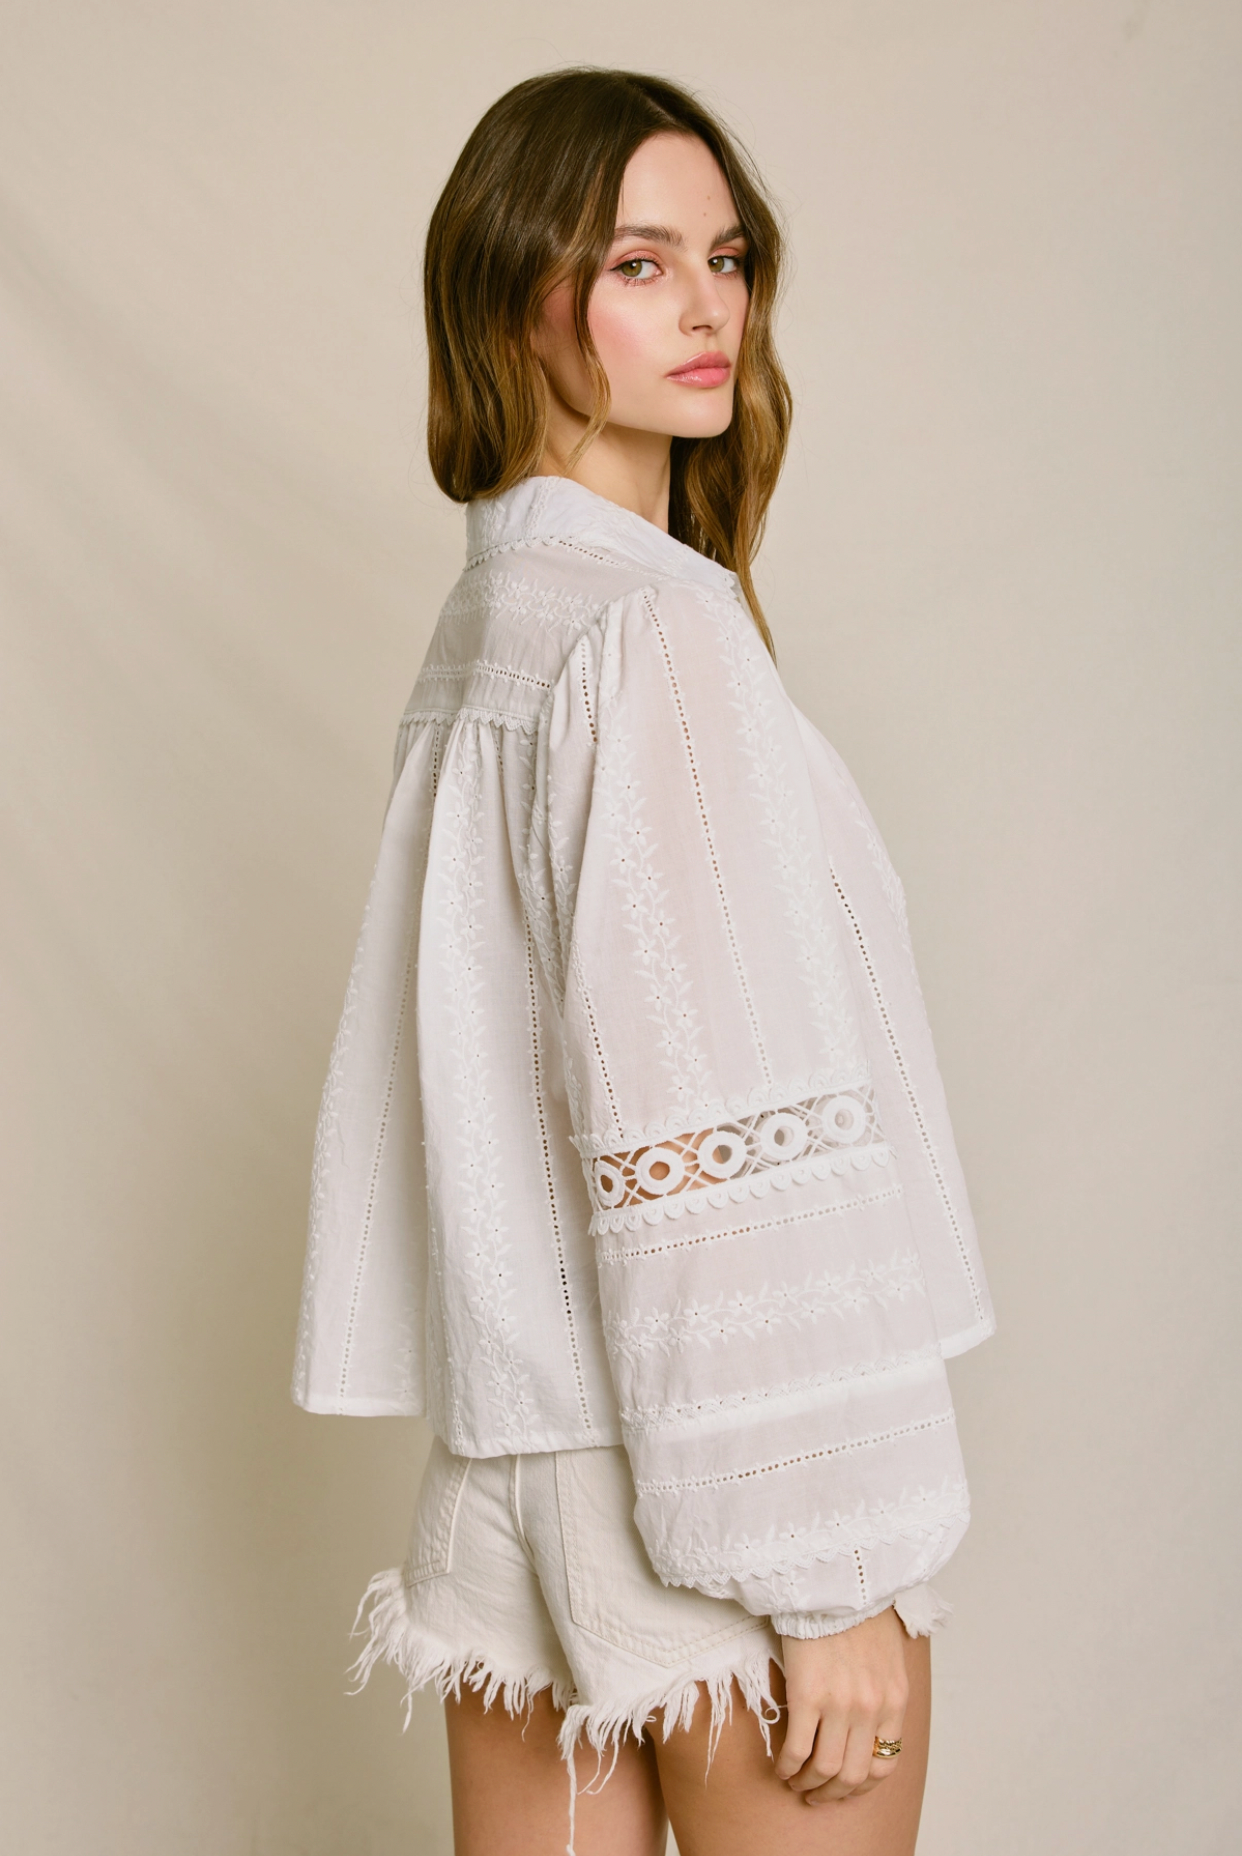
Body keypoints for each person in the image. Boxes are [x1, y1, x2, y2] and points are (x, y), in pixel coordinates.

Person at [293, 67, 994, 1856]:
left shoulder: (488, 627)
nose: (704, 308)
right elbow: (701, 1120)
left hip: (504, 1482)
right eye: (634, 261)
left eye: (727, 257)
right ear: (514, 286)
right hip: (703, 1509)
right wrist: (823, 1570)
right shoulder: (652, 638)